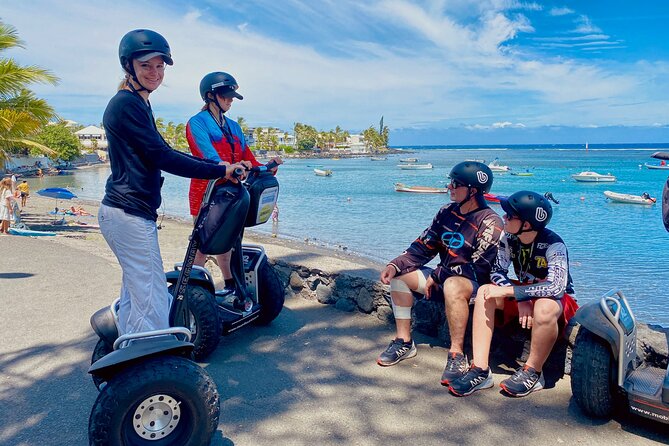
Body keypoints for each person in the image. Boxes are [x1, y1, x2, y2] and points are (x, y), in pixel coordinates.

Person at [99, 29, 246, 336]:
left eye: (160, 66)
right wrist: (220, 170)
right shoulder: (126, 104)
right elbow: (162, 156)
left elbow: (164, 151)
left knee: (136, 295)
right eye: (146, 66)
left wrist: (219, 166)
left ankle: (132, 356)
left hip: (130, 212)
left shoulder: (139, 103)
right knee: (151, 299)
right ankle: (150, 370)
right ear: (129, 67)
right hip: (129, 213)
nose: (155, 72)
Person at [377, 161, 504, 385]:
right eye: (450, 182)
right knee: (400, 276)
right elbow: (424, 246)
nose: (449, 187)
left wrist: (438, 275)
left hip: (472, 288)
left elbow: (478, 267)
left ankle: (457, 355)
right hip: (442, 280)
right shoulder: (446, 212)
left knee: (454, 283)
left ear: (473, 191)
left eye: (455, 183)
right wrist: (395, 264)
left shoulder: (491, 222)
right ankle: (404, 341)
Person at [448, 191, 578, 397]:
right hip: (526, 292)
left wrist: (517, 293)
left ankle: (533, 372)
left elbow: (556, 287)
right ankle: (480, 369)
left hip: (557, 300)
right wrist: (520, 298)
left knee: (544, 306)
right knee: (485, 292)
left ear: (526, 224)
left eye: (510, 216)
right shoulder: (508, 238)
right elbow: (497, 271)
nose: (504, 218)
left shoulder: (554, 244)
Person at [186, 71, 282, 308]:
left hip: (234, 193)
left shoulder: (234, 126)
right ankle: (193, 292)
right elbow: (207, 156)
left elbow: (247, 157)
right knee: (204, 241)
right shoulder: (196, 123)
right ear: (210, 95)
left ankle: (230, 284)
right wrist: (231, 167)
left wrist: (266, 167)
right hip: (207, 192)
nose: (230, 101)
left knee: (228, 239)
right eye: (226, 96)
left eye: (232, 97)